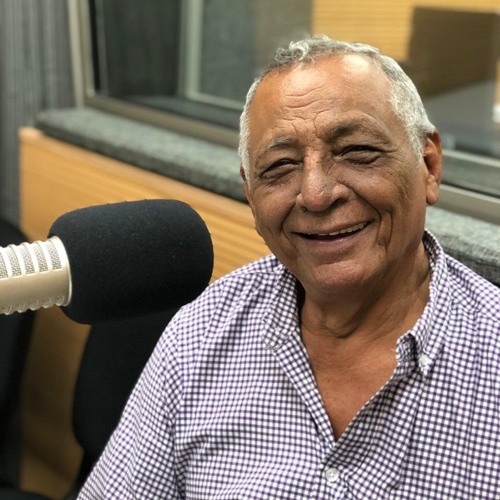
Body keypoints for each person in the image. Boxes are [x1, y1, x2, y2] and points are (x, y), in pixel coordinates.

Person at [78, 36, 499, 499]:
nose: (316, 195)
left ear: (428, 165)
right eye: (280, 166)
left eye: (357, 151)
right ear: (250, 194)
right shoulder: (199, 337)